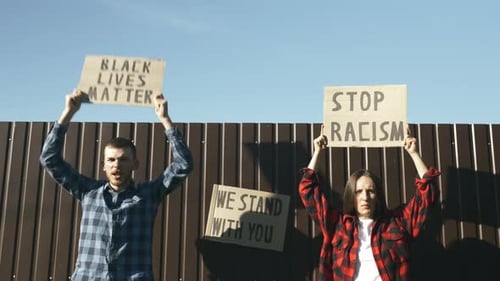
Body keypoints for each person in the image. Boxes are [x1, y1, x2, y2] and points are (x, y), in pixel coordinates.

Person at [40, 89, 193, 281]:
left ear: (135, 164)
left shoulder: (148, 195)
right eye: (111, 160)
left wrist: (165, 118)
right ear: (103, 165)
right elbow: (49, 159)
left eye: (123, 160)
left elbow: (184, 164)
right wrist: (68, 113)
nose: (116, 165)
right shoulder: (88, 192)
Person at [298, 129, 440, 281]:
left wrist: (414, 153)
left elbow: (428, 193)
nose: (365, 197)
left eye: (370, 191)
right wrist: (317, 151)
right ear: (351, 195)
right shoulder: (337, 224)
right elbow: (308, 190)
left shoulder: (398, 222)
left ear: (377, 195)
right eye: (358, 191)